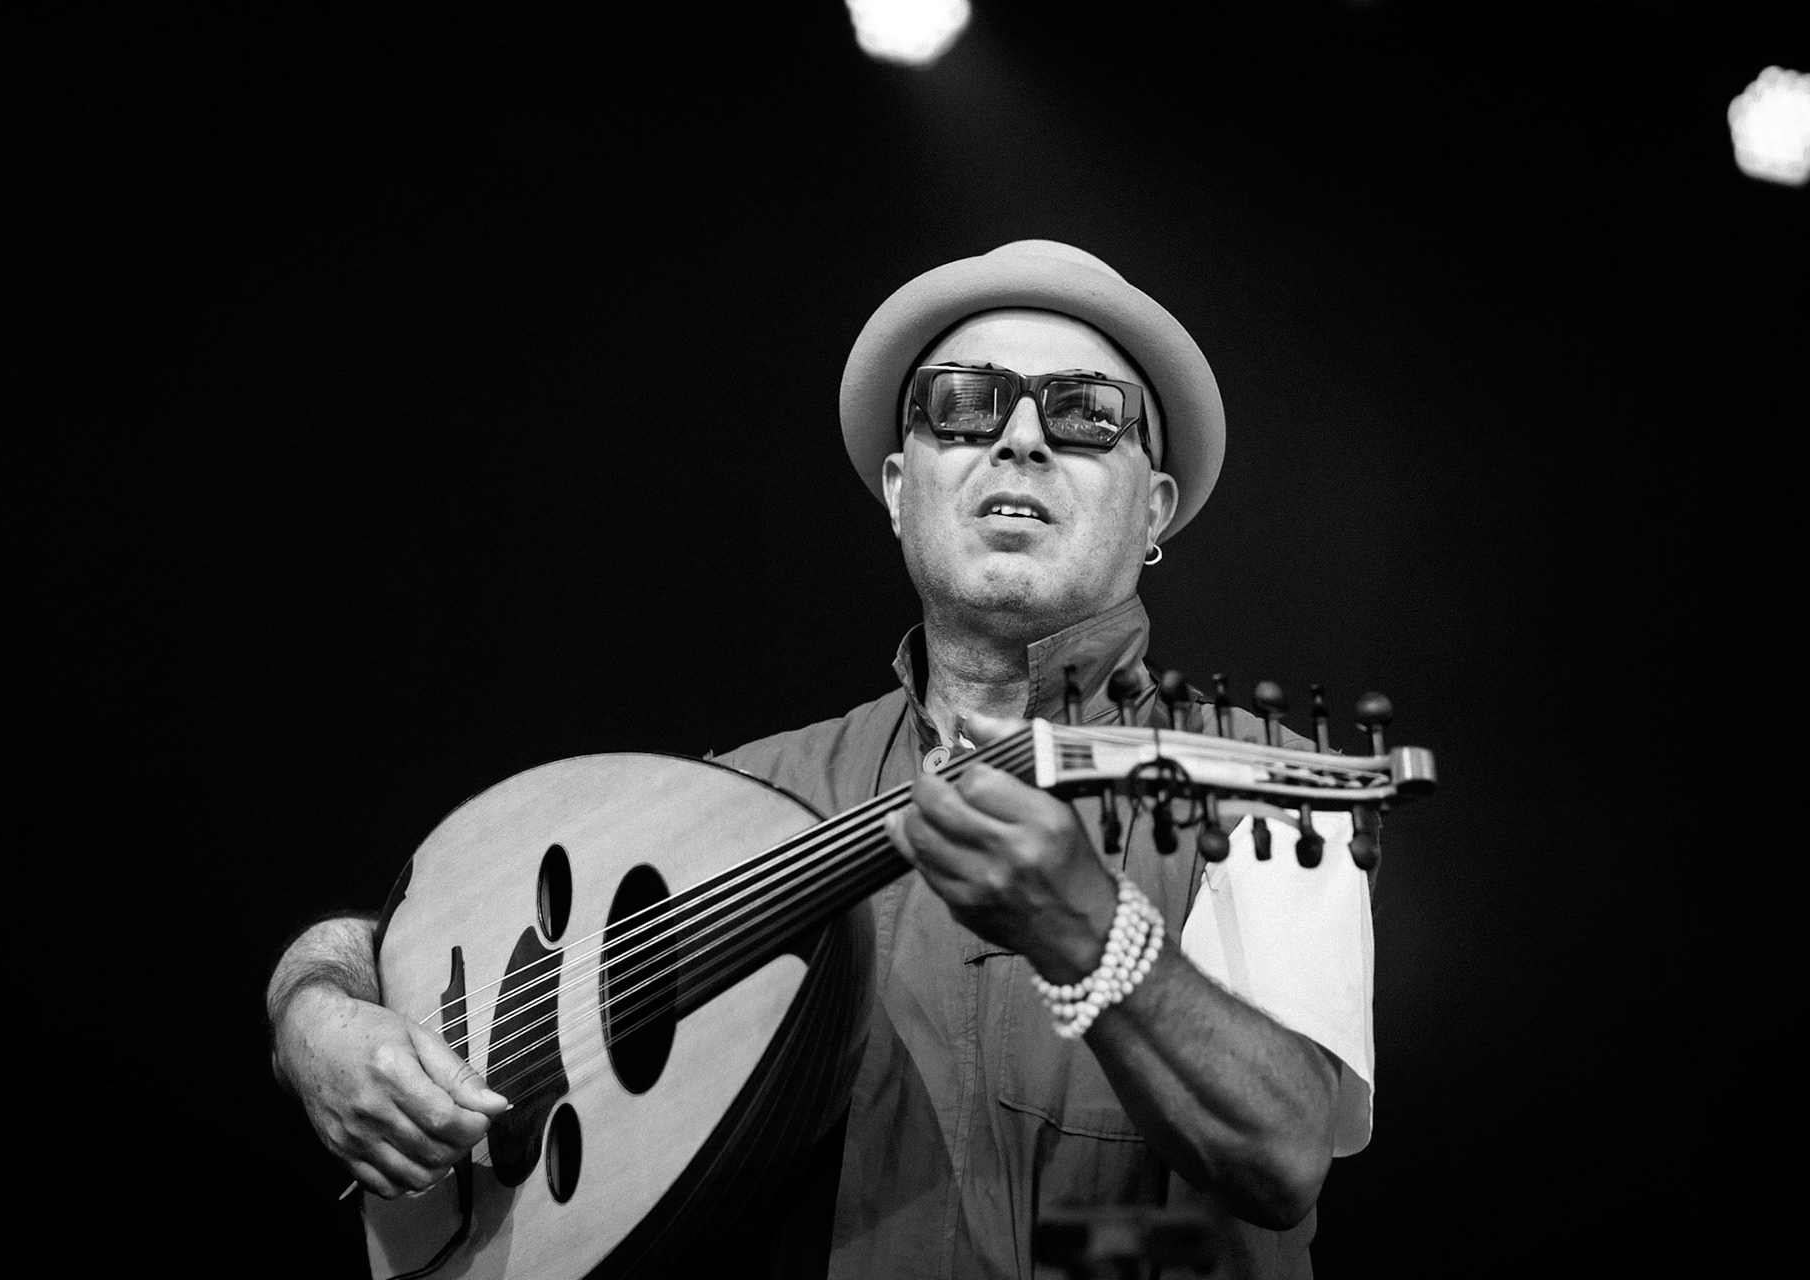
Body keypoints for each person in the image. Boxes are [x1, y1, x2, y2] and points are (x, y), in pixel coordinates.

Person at [267, 240, 1377, 1280]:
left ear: (1155, 511)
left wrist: (1096, 933)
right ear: (899, 490)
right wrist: (313, 1008)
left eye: (1087, 414)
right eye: (966, 403)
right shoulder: (743, 796)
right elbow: (402, 944)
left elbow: (1282, 1160)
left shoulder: (1257, 782)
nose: (1022, 438)